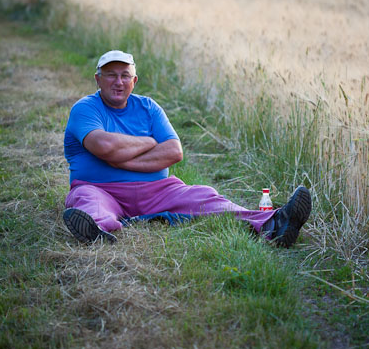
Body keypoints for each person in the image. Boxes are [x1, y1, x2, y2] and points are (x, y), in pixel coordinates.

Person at [62, 50, 311, 247]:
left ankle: (274, 223)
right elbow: (104, 146)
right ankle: (97, 230)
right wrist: (149, 143)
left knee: (203, 195)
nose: (118, 81)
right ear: (97, 79)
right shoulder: (86, 108)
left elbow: (173, 152)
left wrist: (120, 160)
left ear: (134, 81)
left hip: (158, 191)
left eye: (124, 75)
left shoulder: (149, 108)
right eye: (110, 75)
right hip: (101, 189)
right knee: (88, 201)